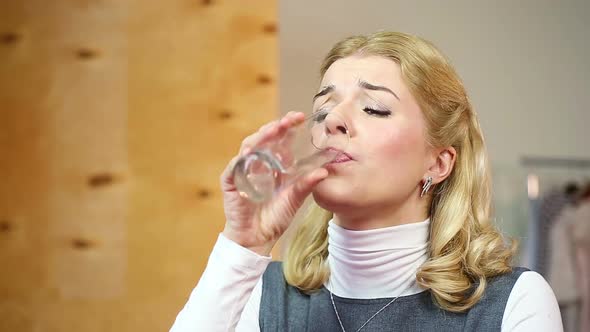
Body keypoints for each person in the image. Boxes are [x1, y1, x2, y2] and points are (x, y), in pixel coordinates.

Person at [170, 31, 562, 331]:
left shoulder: (511, 304)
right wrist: (243, 245)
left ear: (439, 162)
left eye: (374, 108)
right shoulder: (265, 294)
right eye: (322, 109)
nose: (333, 121)